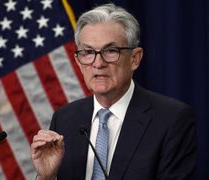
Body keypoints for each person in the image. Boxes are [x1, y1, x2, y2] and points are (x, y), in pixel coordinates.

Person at [30, 3, 196, 180]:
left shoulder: (170, 119)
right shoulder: (65, 119)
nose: (98, 63)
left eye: (110, 51)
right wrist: (46, 177)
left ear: (135, 58)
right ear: (78, 62)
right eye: (88, 52)